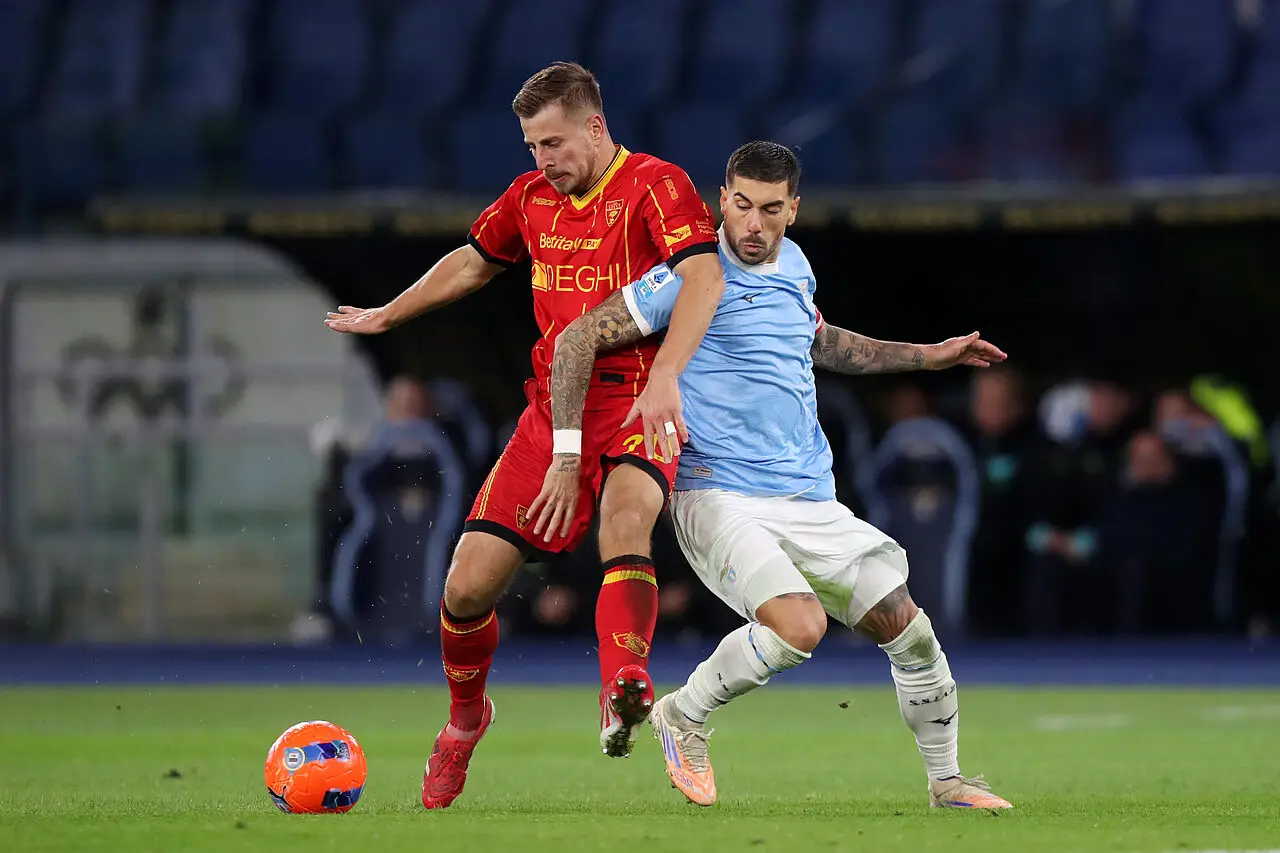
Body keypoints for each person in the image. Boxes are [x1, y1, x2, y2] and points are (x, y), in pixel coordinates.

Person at [535, 141, 1013, 810]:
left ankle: (947, 781)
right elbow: (579, 336)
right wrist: (565, 451)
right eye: (740, 205)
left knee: (909, 628)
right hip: (718, 493)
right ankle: (684, 714)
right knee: (800, 624)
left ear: (793, 208)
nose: (752, 225)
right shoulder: (689, 273)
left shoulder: (796, 266)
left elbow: (819, 342)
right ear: (720, 201)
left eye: (768, 209)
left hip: (810, 496)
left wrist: (928, 356)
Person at [325, 62, 726, 808]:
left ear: (595, 126)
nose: (541, 159)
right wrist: (388, 313)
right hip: (553, 411)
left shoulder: (656, 185)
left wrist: (670, 371)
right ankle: (465, 721)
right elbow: (474, 264)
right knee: (467, 585)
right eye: (531, 145)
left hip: (640, 398)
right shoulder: (530, 196)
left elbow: (702, 277)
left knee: (627, 518)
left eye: (552, 142)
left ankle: (622, 687)